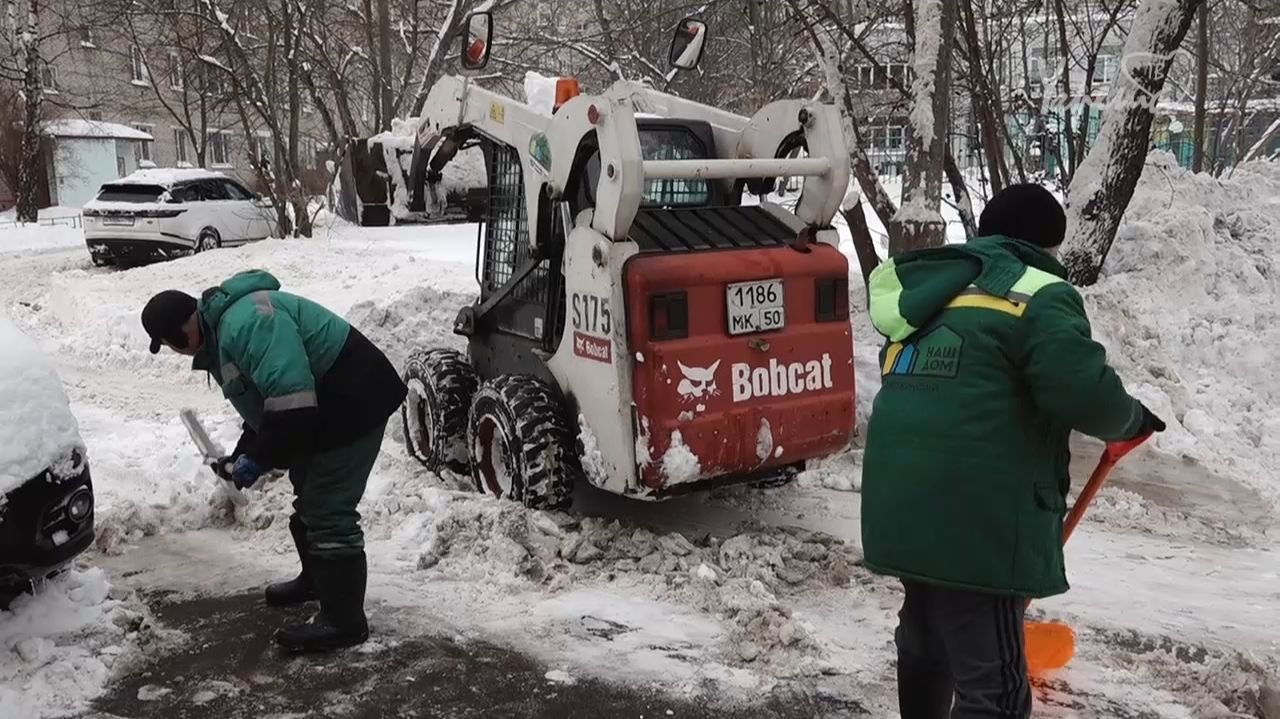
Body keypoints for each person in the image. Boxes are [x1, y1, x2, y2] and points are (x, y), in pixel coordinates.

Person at [861, 184, 1165, 718]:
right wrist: (1132, 418)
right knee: (994, 689)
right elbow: (1080, 389)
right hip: (977, 519)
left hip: (900, 501)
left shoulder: (928, 291)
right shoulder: (1039, 292)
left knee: (927, 640)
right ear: (1046, 246)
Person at [141, 269, 406, 653]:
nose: (174, 352)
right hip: (328, 402)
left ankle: (345, 622)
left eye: (168, 344)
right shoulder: (221, 335)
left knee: (327, 505)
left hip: (355, 398)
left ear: (180, 332)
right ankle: (318, 582)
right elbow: (268, 406)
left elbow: (291, 402)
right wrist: (243, 454)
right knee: (307, 489)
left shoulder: (245, 323)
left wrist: (259, 459)